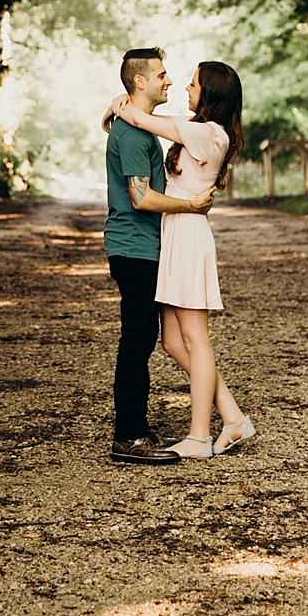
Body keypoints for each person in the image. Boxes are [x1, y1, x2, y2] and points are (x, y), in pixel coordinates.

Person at [105, 61, 256, 459]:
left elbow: (144, 118)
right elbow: (138, 116)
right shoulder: (202, 131)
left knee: (195, 339)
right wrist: (119, 104)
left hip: (186, 236)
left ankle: (199, 436)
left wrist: (120, 105)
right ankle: (234, 418)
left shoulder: (207, 133)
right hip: (173, 235)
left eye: (192, 83)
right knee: (173, 341)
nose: (184, 87)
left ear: (211, 94)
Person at [102, 47, 216, 465]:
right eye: (162, 75)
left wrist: (117, 108)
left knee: (144, 338)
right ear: (140, 82)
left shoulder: (138, 126)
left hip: (145, 248)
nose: (169, 81)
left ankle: (137, 427)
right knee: (136, 340)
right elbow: (141, 196)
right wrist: (193, 207)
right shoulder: (132, 134)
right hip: (134, 248)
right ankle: (128, 435)